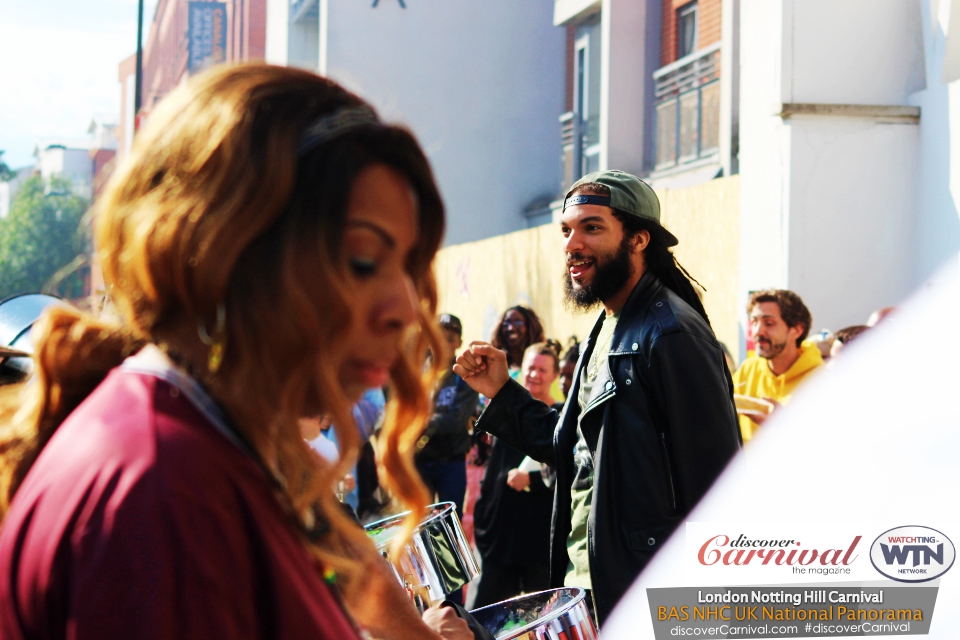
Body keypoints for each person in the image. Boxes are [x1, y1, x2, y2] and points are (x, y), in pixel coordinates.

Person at [0, 65, 471, 640]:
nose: (402, 307)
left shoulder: (201, 452)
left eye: (409, 266)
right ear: (228, 250)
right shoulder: (164, 492)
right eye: (364, 259)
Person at [455, 170, 741, 624]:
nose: (572, 244)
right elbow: (573, 447)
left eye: (592, 227)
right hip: (586, 584)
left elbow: (718, 487)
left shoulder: (671, 333)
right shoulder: (608, 325)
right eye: (567, 230)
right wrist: (500, 391)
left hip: (641, 593)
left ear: (638, 239)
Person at [473, 343, 559, 607]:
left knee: (543, 614)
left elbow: (568, 467)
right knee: (488, 616)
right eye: (531, 367)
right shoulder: (506, 413)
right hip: (502, 539)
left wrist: (532, 480)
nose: (535, 374)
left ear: (554, 376)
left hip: (540, 541)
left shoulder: (560, 416)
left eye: (542, 370)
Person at [733, 289, 824, 442]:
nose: (757, 331)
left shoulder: (821, 379)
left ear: (797, 330)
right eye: (754, 322)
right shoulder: (748, 369)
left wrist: (785, 424)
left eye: (769, 323)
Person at [415, 314, 479, 518]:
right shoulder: (415, 373)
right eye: (437, 336)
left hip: (451, 463)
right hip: (419, 460)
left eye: (450, 338)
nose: (443, 343)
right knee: (417, 524)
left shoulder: (465, 375)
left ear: (458, 342)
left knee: (450, 523)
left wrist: (419, 421)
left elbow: (455, 421)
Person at [490, 306, 545, 375]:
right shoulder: (495, 366)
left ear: (530, 328)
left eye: (518, 323)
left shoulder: (542, 366)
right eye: (506, 323)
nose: (511, 328)